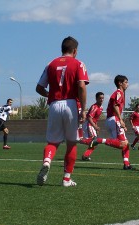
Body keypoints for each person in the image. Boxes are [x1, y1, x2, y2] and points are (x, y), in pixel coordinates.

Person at [36, 36, 89, 187]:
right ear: (75, 50)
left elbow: (39, 88)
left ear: (62, 49)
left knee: (53, 141)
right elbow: (81, 86)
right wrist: (84, 109)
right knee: (72, 143)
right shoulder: (78, 63)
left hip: (54, 104)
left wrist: (50, 95)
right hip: (71, 104)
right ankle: (66, 179)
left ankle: (47, 161)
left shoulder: (50, 64)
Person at [81, 75, 135, 170]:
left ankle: (126, 164)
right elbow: (115, 106)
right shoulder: (119, 93)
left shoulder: (119, 93)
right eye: (126, 82)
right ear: (120, 83)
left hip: (112, 120)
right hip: (114, 119)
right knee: (123, 143)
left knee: (125, 143)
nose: (127, 84)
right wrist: (120, 120)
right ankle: (99, 140)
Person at [81, 92, 104, 161]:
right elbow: (90, 118)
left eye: (102, 98)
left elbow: (95, 119)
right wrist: (95, 127)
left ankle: (85, 155)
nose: (101, 100)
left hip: (92, 124)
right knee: (94, 141)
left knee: (95, 143)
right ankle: (79, 140)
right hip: (89, 124)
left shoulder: (101, 108)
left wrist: (96, 127)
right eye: (100, 98)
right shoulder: (94, 107)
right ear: (96, 99)